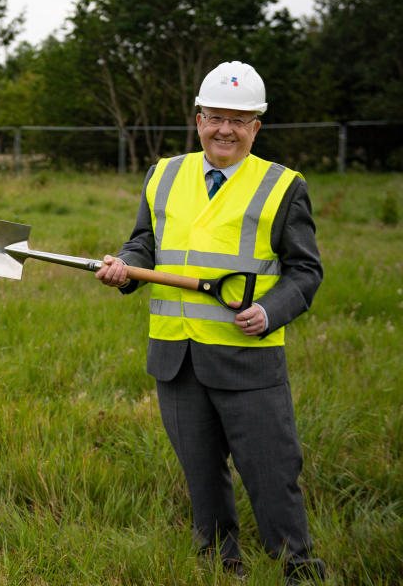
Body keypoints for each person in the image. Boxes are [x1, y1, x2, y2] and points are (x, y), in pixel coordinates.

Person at [96, 61, 326, 584]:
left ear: (256, 128)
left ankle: (298, 569)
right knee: (201, 475)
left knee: (271, 473)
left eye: (239, 120)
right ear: (198, 119)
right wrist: (123, 269)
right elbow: (143, 244)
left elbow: (305, 271)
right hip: (176, 356)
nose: (226, 129)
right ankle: (222, 567)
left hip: (249, 357)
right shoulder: (163, 174)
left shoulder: (283, 187)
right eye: (216, 117)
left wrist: (270, 311)